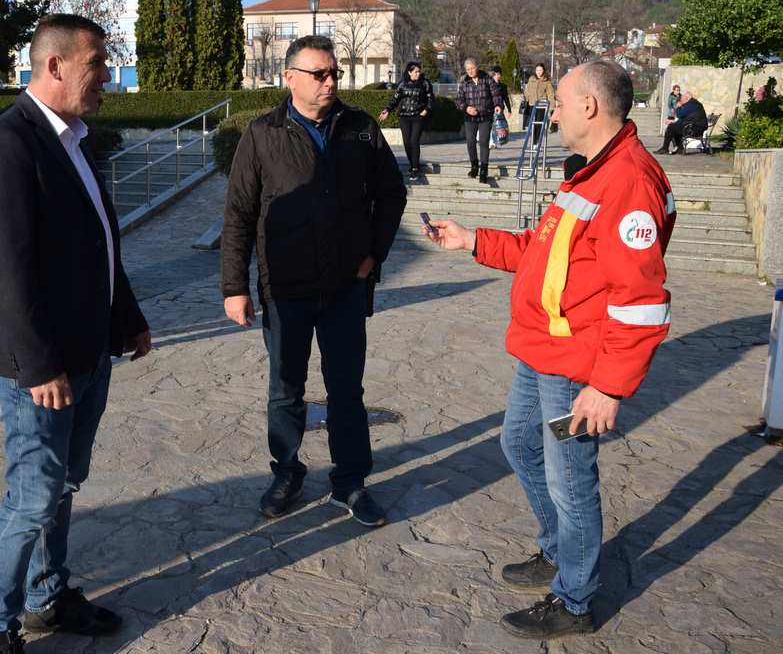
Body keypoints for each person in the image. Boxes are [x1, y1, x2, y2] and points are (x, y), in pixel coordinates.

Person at [423, 60, 675, 639]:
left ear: (590, 106)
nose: (552, 113)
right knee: (518, 443)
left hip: (576, 365)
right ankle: (560, 549)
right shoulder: (590, 172)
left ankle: (575, 598)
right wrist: (472, 240)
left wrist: (608, 386)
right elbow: (542, 252)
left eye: (559, 102)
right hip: (543, 353)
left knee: (570, 478)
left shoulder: (628, 182)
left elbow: (640, 300)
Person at [0, 14, 152, 654]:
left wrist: (127, 318)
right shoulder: (5, 145)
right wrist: (40, 366)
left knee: (63, 486)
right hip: (41, 367)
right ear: (55, 65)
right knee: (31, 498)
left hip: (87, 350)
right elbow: (8, 269)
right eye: (97, 64)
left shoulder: (75, 139)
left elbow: (100, 243)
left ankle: (48, 597)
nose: (108, 78)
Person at [221, 34, 406, 528]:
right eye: (319, 74)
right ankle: (287, 471)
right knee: (285, 389)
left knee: (347, 389)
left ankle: (351, 481)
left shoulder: (360, 129)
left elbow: (392, 194)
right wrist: (234, 287)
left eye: (334, 73)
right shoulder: (263, 134)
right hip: (285, 288)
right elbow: (239, 213)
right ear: (290, 78)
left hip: (346, 286)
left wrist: (373, 254)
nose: (330, 82)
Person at [378, 61, 435, 182]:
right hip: (404, 117)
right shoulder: (402, 83)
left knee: (414, 141)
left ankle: (415, 169)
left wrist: (426, 110)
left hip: (418, 116)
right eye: (415, 72)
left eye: (419, 71)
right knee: (407, 142)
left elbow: (431, 99)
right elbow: (395, 99)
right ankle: (413, 164)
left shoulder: (425, 83)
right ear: (409, 72)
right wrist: (387, 110)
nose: (418, 74)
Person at [456, 58, 502, 183]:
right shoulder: (464, 82)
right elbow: (459, 101)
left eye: (472, 68)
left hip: (485, 116)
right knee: (470, 142)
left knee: (484, 141)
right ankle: (474, 166)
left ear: (477, 67)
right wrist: (466, 108)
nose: (470, 71)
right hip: (469, 117)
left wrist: (498, 105)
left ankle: (484, 169)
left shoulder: (487, 79)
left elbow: (496, 94)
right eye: (468, 69)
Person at [523, 63, 557, 143]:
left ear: (543, 70)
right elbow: (527, 90)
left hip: (541, 105)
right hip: (532, 104)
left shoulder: (546, 81)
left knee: (538, 123)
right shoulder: (531, 79)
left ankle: (536, 142)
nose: (538, 72)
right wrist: (525, 99)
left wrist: (552, 107)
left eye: (540, 70)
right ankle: (534, 140)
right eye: (537, 70)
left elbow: (550, 94)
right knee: (532, 124)